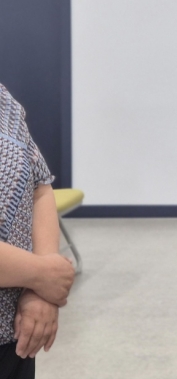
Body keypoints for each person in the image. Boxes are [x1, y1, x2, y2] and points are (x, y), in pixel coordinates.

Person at [0, 83, 76, 379]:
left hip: (15, 337)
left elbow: (39, 185)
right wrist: (41, 274)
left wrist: (39, 293)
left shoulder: (3, 99)